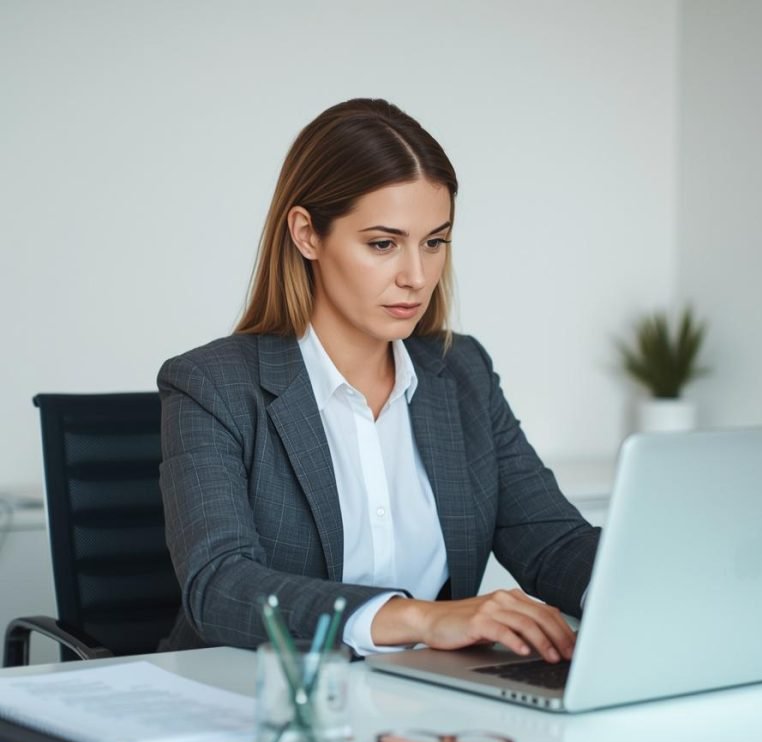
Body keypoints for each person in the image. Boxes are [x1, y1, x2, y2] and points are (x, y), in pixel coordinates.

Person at [157, 98, 600, 662]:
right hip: (263, 705)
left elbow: (552, 540)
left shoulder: (462, 372)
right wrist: (420, 616)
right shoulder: (212, 385)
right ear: (306, 234)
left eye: (434, 242)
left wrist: (656, 587)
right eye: (383, 244)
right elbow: (219, 585)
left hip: (430, 705)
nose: (416, 277)